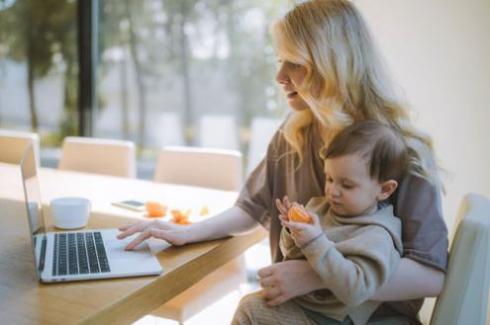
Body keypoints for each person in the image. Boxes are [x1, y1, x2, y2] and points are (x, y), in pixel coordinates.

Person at [117, 0, 448, 323]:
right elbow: (251, 208)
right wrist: (189, 232)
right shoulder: (293, 135)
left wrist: (315, 274)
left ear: (333, 65)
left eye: (294, 63)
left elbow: (430, 275)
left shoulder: (405, 151)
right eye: (279, 60)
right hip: (300, 310)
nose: (279, 76)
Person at [265, 120, 407, 325]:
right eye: (329, 179)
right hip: (300, 305)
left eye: (347, 185)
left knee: (250, 310)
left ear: (384, 190)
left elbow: (356, 291)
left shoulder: (377, 235)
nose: (332, 190)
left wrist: (314, 241)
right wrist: (293, 230)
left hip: (331, 318)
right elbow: (291, 254)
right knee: (252, 305)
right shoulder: (320, 208)